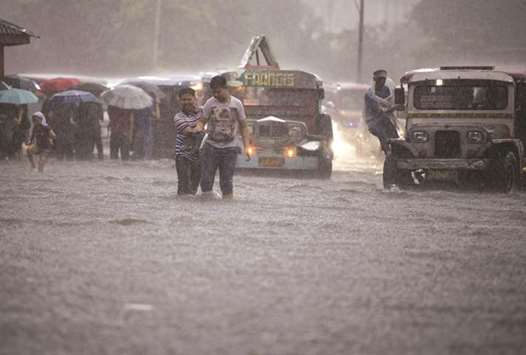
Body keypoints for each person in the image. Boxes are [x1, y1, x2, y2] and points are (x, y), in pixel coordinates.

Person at [195, 75, 251, 199]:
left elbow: (244, 126)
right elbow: (202, 121)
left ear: (226, 89)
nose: (216, 94)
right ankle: (207, 204)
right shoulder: (210, 103)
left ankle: (227, 206)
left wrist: (247, 146)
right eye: (213, 92)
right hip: (211, 146)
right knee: (206, 179)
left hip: (230, 147)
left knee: (226, 181)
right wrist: (198, 128)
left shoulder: (237, 104)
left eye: (218, 91)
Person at [173, 87, 204, 195]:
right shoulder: (178, 117)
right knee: (184, 187)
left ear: (195, 99)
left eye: (189, 99)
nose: (186, 102)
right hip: (183, 155)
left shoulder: (203, 112)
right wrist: (200, 128)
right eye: (183, 100)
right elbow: (189, 132)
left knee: (194, 188)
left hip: (199, 156)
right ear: (179, 101)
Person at [364, 69, 399, 153]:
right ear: (375, 80)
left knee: (394, 133)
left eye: (383, 80)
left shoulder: (386, 90)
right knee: (382, 134)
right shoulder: (370, 94)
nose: (382, 82)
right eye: (380, 80)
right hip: (372, 121)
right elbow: (377, 111)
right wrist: (393, 108)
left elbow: (388, 103)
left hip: (384, 119)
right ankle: (386, 151)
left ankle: (396, 150)